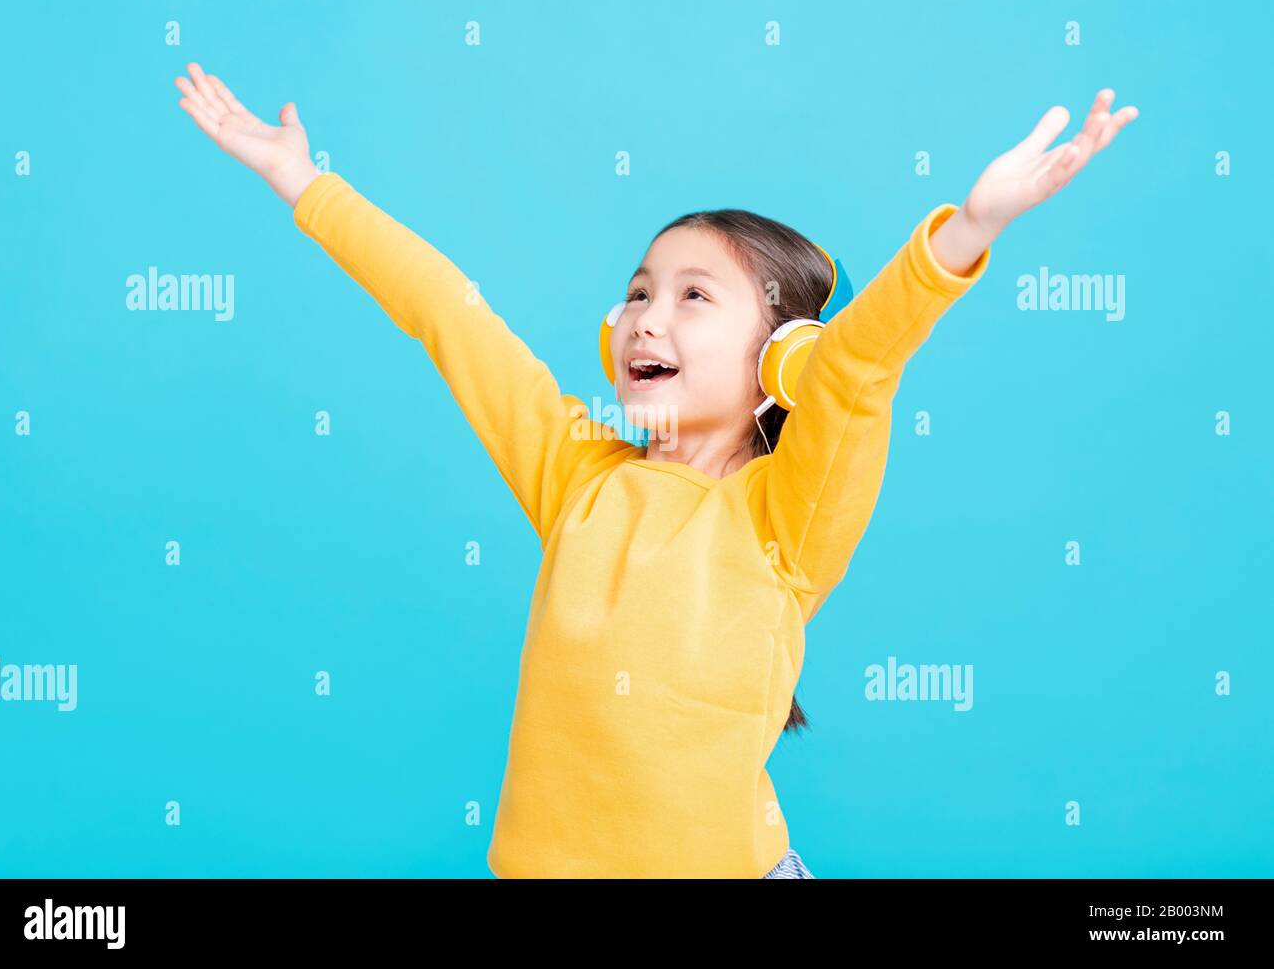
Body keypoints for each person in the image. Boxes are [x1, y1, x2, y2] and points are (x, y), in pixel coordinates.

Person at [174, 63, 1136, 878]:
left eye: (692, 295)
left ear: (781, 357)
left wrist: (966, 230)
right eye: (637, 291)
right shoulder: (575, 477)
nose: (646, 316)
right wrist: (305, 185)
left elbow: (858, 369)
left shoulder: (783, 519)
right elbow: (448, 315)